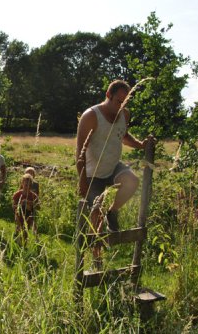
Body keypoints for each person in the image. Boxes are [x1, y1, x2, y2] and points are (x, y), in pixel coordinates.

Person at [76, 80, 152, 266]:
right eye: (119, 101)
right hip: (93, 173)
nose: (122, 106)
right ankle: (97, 258)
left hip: (113, 167)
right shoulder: (91, 116)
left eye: (125, 102)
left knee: (132, 181)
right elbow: (80, 151)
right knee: (96, 217)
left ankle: (113, 212)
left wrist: (141, 144)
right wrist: (82, 181)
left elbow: (124, 136)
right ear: (108, 95)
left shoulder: (124, 114)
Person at [12, 174, 39, 243]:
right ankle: (17, 238)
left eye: (29, 185)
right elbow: (13, 206)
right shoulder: (18, 194)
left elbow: (38, 206)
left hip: (29, 215)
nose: (27, 187)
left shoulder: (33, 195)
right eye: (26, 185)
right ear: (22, 183)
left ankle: (24, 244)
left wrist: (29, 203)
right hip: (19, 214)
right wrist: (21, 203)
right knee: (19, 227)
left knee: (25, 231)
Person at [24, 167, 40, 234]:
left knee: (33, 218)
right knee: (22, 217)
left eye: (31, 173)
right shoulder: (23, 182)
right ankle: (19, 231)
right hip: (24, 202)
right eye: (28, 172)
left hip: (32, 203)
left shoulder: (36, 184)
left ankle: (35, 235)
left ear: (34, 175)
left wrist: (37, 202)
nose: (30, 174)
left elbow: (37, 194)